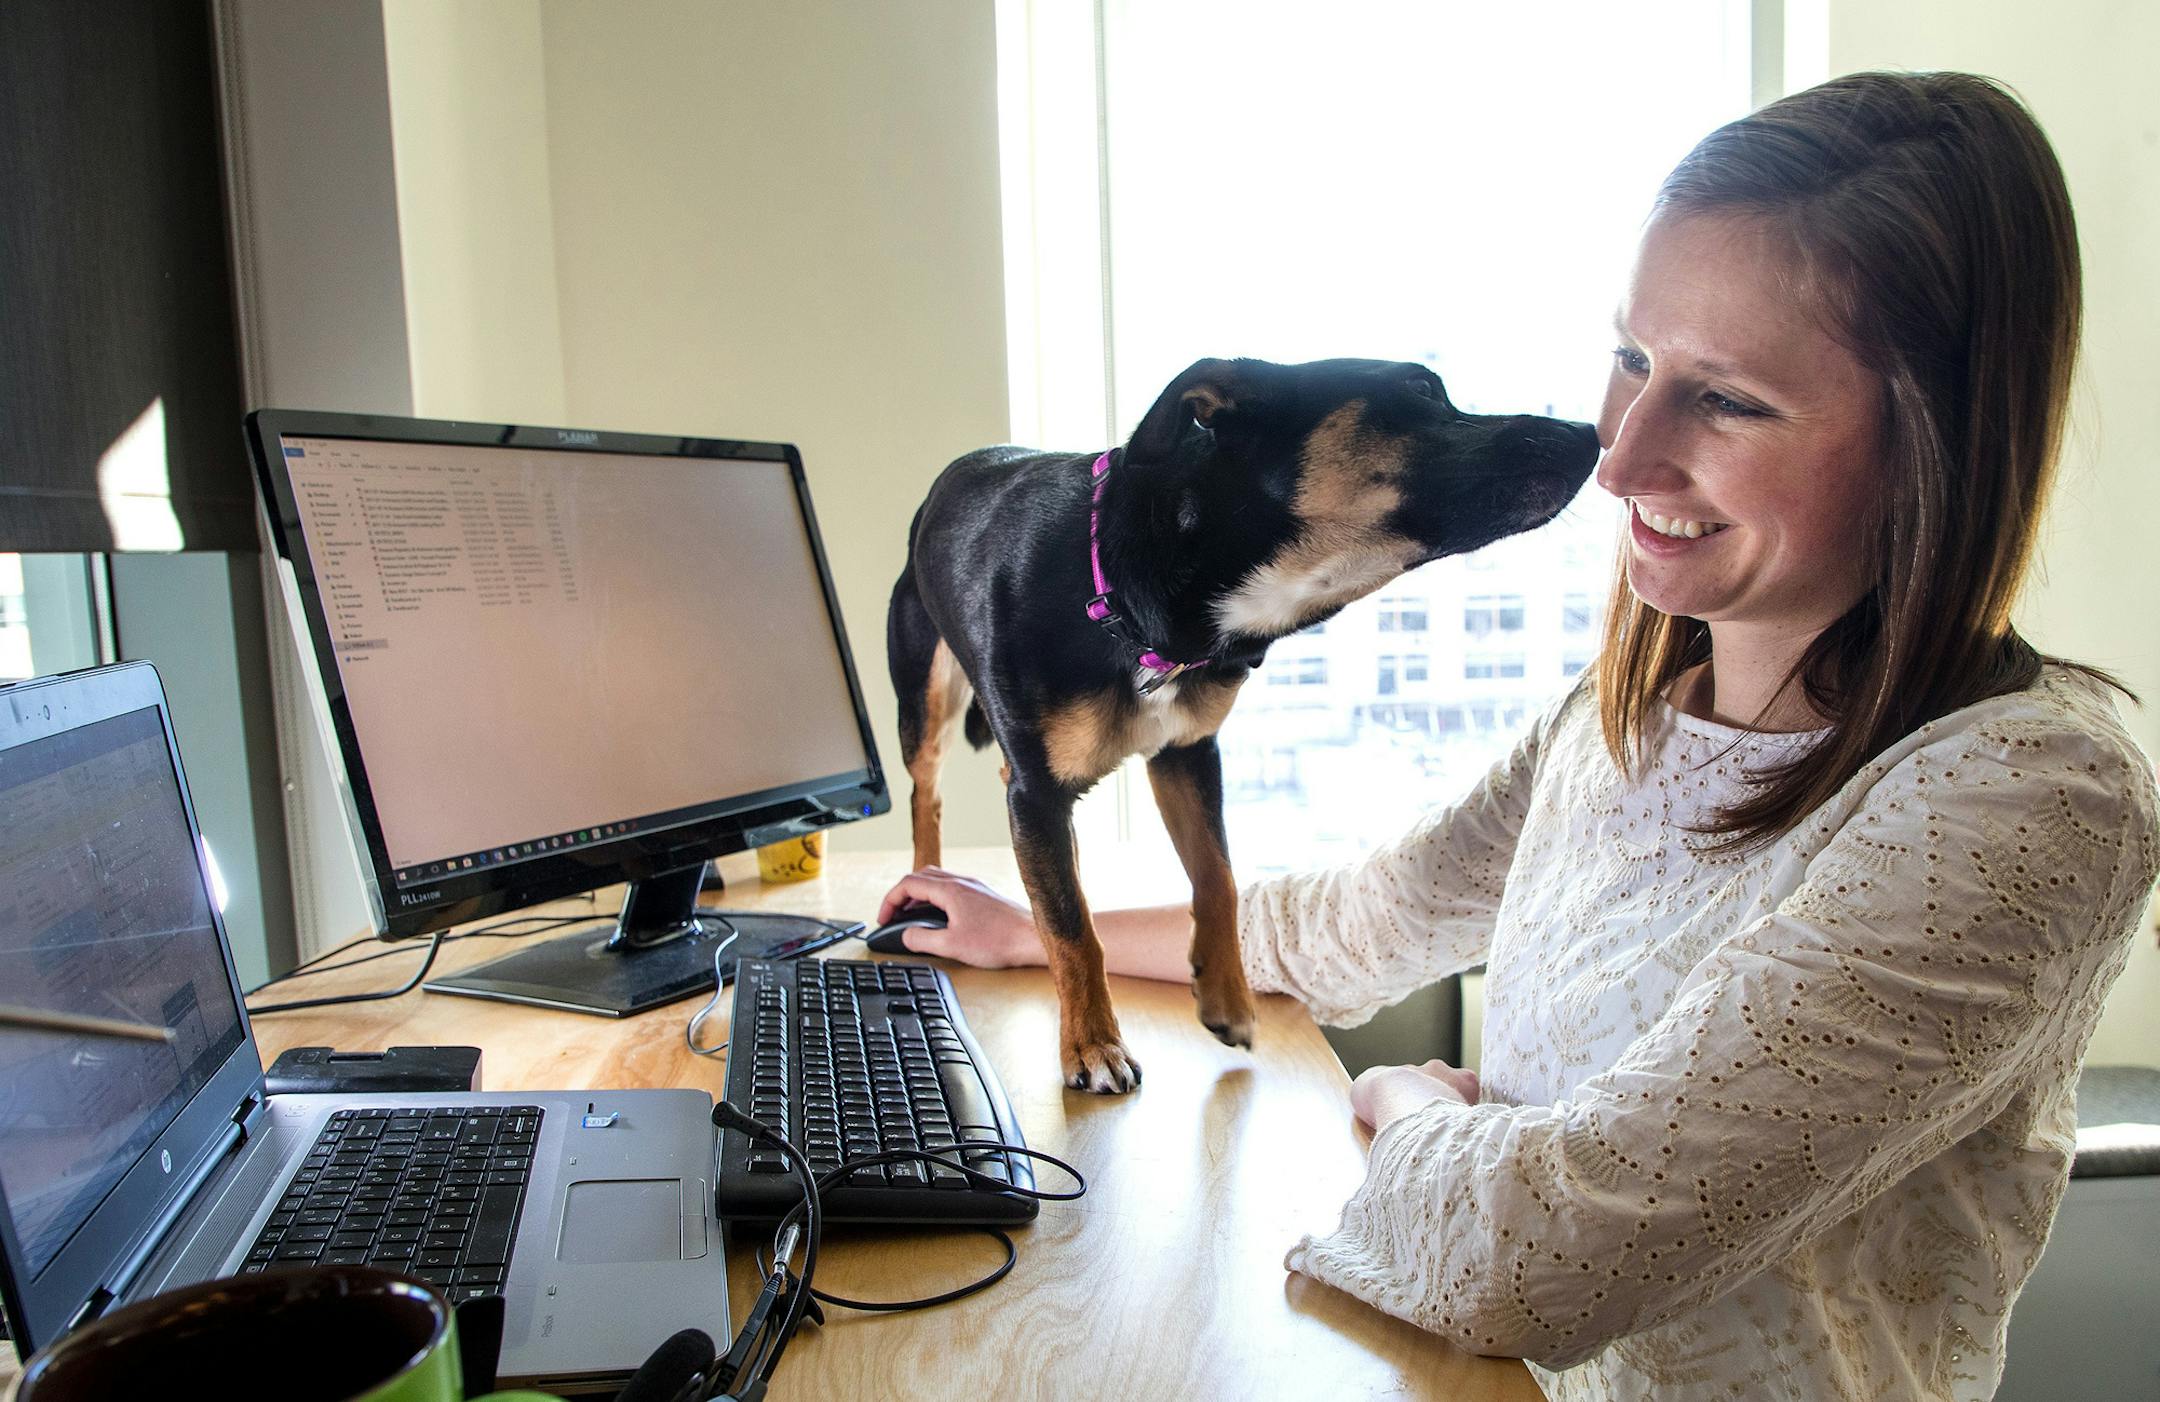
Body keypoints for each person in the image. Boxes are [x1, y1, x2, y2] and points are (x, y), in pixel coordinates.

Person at [878, 71, 2160, 1401]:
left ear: (1930, 444)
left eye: (1725, 400)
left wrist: (1413, 1111)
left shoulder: (2031, 797)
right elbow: (1366, 918)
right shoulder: (1625, 711)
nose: (1620, 457)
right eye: (1632, 361)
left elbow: (1531, 1256)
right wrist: (1040, 932)